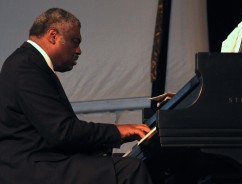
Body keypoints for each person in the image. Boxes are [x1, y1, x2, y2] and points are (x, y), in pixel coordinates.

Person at [0, 8, 153, 184]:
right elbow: (62, 132)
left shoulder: (28, 62)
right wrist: (118, 131)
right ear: (53, 36)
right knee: (131, 169)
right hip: (33, 168)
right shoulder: (26, 66)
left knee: (126, 163)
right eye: (75, 41)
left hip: (42, 160)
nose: (79, 50)